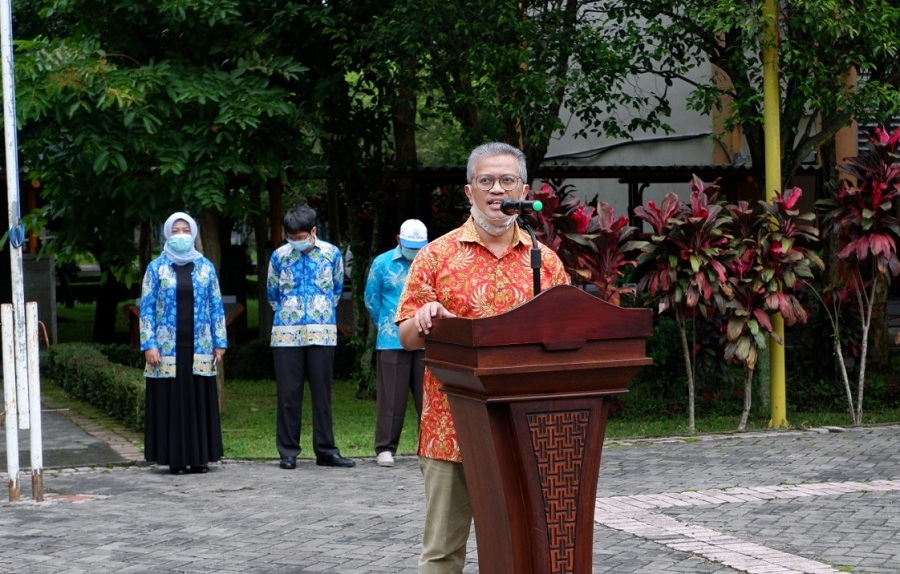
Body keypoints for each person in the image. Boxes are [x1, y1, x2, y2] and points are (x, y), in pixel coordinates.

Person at [397, 142, 571, 573]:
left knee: (518, 547)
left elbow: (566, 334)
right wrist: (424, 319)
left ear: (524, 188)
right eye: (486, 181)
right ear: (469, 190)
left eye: (507, 180)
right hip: (449, 426)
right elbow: (405, 338)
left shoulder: (544, 261)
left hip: (524, 426)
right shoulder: (436, 255)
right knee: (442, 552)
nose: (497, 190)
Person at [268, 205, 355, 469]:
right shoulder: (279, 257)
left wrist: (319, 313)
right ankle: (288, 452)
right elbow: (272, 294)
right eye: (291, 237)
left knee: (322, 393)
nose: (295, 242)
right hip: (286, 334)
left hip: (322, 333)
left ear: (313, 231)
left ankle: (326, 450)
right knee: (288, 394)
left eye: (300, 237)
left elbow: (337, 290)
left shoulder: (331, 254)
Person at [140, 212, 228, 475]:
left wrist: (220, 341)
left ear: (193, 233)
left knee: (197, 400)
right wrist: (149, 344)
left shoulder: (206, 267)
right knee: (172, 402)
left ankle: (200, 458)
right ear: (167, 234)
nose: (180, 235)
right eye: (175, 230)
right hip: (167, 348)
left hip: (199, 344)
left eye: (185, 230)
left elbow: (216, 305)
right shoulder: (156, 268)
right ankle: (175, 459)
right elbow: (146, 308)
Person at [364, 219, 429, 468]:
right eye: (410, 246)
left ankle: (428, 447)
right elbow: (371, 299)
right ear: (398, 240)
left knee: (428, 398)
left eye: (419, 246)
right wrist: (388, 325)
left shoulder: (434, 259)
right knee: (391, 397)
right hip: (392, 339)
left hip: (427, 338)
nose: (415, 252)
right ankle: (385, 448)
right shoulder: (382, 263)